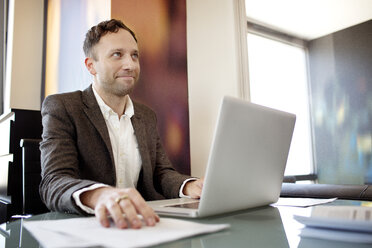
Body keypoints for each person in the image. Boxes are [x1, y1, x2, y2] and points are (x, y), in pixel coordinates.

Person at [40, 19, 203, 229]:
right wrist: (100, 195)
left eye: (134, 55)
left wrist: (189, 186)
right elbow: (54, 181)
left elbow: (161, 173)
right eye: (117, 54)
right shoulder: (63, 107)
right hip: (87, 228)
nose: (130, 64)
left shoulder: (147, 116)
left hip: (140, 226)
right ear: (91, 65)